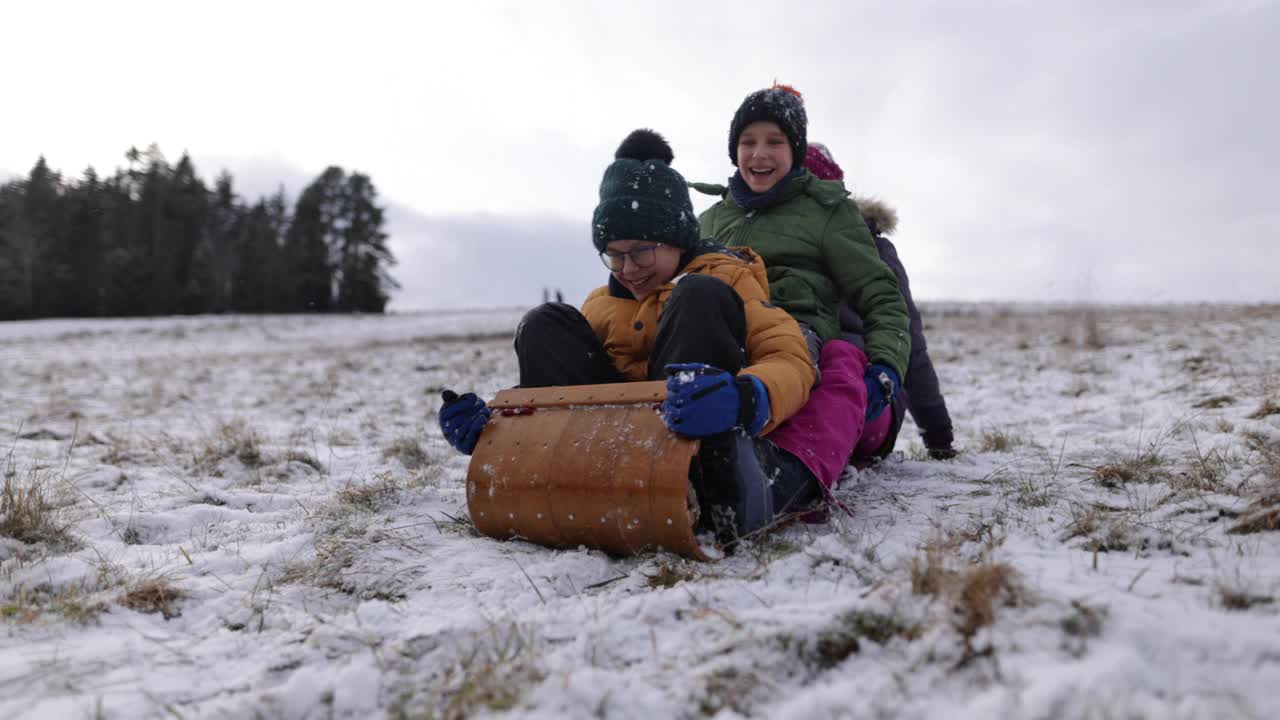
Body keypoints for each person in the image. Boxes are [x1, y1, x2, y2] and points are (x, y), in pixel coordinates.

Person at [439, 129, 823, 548]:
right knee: (544, 324)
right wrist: (497, 427)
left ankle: (709, 488)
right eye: (614, 254)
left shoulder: (726, 279)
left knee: (697, 295)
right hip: (609, 454)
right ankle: (557, 478)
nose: (628, 268)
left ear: (677, 240)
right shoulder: (600, 305)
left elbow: (791, 359)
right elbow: (574, 393)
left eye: (641, 251)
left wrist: (746, 397)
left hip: (694, 452)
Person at [694, 83, 912, 498]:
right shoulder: (711, 219)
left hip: (794, 341)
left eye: (774, 142)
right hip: (721, 331)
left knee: (840, 364)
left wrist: (886, 367)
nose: (759, 154)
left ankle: (784, 480)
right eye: (747, 142)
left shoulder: (827, 214)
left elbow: (881, 294)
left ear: (795, 150)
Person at [804, 142, 957, 460]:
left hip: (868, 397)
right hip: (791, 382)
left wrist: (937, 432)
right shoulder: (770, 249)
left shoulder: (873, 252)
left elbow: (908, 342)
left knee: (840, 361)